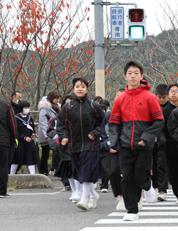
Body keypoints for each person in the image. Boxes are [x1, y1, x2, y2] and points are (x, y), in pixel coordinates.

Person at [109, 61, 164, 221]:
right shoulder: (120, 100)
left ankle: (147, 186)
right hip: (125, 145)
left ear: (142, 76)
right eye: (130, 73)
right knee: (127, 177)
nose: (133, 76)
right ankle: (132, 211)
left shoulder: (150, 97)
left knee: (140, 176)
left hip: (144, 146)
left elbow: (159, 121)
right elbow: (114, 123)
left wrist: (146, 138)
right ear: (125, 76)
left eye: (136, 73)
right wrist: (114, 142)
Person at [57, 77, 105, 211]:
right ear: (73, 89)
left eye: (83, 86)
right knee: (80, 172)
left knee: (86, 171)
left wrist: (95, 133)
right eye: (77, 86)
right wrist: (63, 137)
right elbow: (60, 125)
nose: (80, 88)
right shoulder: (67, 107)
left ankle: (84, 199)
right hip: (74, 145)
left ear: (87, 89)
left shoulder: (93, 106)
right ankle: (93, 195)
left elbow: (103, 123)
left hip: (91, 144)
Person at [49, 94, 81, 202]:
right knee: (69, 170)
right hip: (64, 146)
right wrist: (58, 137)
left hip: (77, 145)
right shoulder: (58, 118)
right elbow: (51, 130)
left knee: (76, 169)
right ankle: (74, 191)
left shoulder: (81, 116)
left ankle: (80, 191)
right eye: (67, 104)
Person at [162, 84, 178, 204]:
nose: (173, 93)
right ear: (168, 94)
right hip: (169, 145)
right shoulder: (164, 110)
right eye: (171, 91)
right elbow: (161, 128)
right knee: (172, 170)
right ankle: (177, 193)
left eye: (176, 91)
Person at [100, 89, 126, 210]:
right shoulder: (109, 115)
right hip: (115, 148)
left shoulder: (132, 111)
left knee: (131, 174)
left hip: (130, 148)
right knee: (114, 172)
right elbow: (105, 132)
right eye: (117, 96)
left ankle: (138, 196)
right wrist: (110, 144)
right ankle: (120, 196)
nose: (119, 98)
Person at [10, 101, 39, 175]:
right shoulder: (16, 118)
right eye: (25, 108)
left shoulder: (29, 118)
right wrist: (24, 137)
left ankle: (33, 176)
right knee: (16, 160)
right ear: (21, 108)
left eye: (28, 108)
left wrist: (33, 133)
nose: (27, 109)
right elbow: (15, 131)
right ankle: (11, 175)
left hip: (29, 142)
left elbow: (32, 128)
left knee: (30, 159)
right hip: (19, 143)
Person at [37, 90, 62, 176]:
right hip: (47, 134)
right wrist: (46, 135)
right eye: (56, 98)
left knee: (56, 151)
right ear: (51, 98)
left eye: (58, 99)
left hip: (54, 133)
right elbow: (43, 123)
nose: (57, 100)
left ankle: (53, 169)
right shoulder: (45, 108)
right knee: (45, 153)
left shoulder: (56, 107)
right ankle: (43, 171)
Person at [153, 84, 170, 201]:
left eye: (164, 97)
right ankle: (158, 188)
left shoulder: (171, 108)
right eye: (160, 97)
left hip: (169, 141)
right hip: (155, 141)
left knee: (164, 166)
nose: (162, 99)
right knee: (157, 165)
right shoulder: (153, 107)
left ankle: (163, 189)